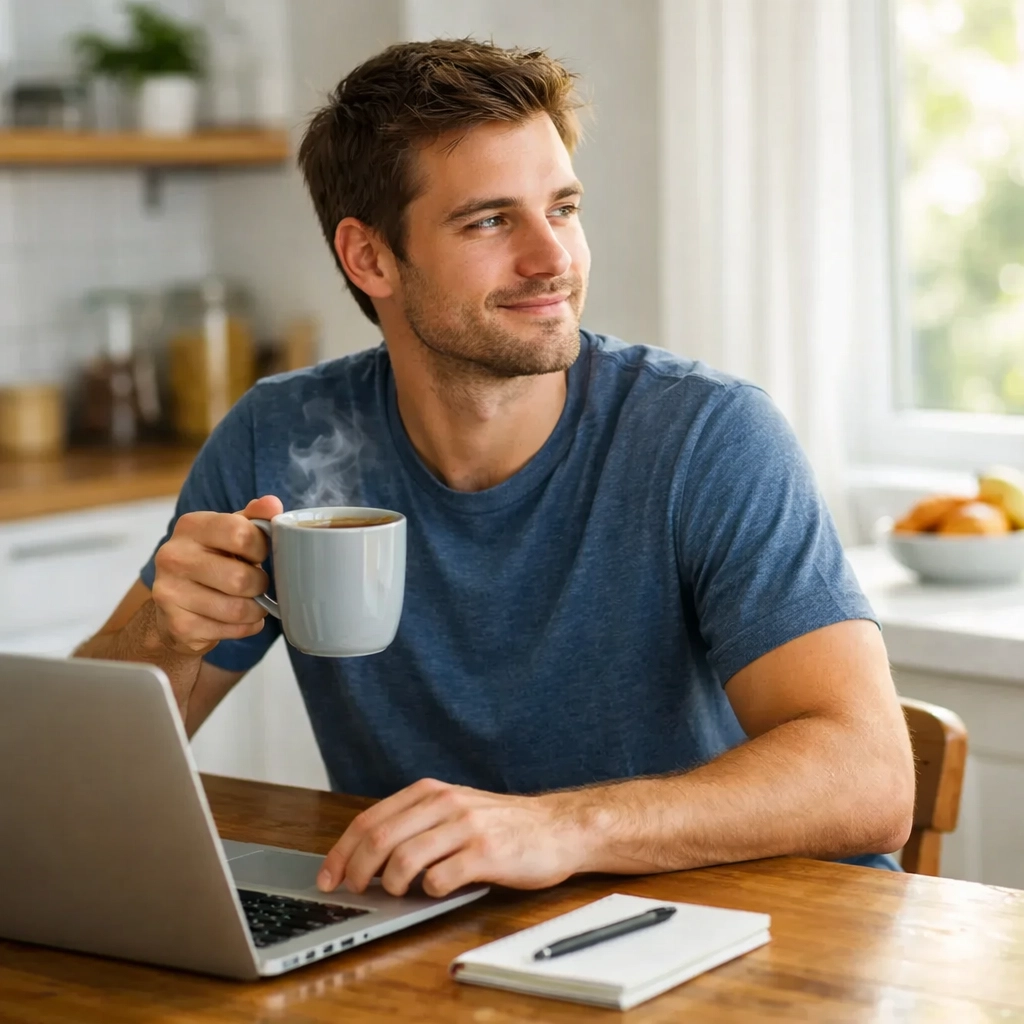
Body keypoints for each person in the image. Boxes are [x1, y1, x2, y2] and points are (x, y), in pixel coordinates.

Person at [77, 39, 915, 899]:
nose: (552, 258)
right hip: (445, 932)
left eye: (562, 208)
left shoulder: (705, 436)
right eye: (489, 220)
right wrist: (165, 637)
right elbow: (75, 775)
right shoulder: (279, 438)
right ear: (369, 258)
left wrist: (557, 826)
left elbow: (871, 779)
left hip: (735, 931)